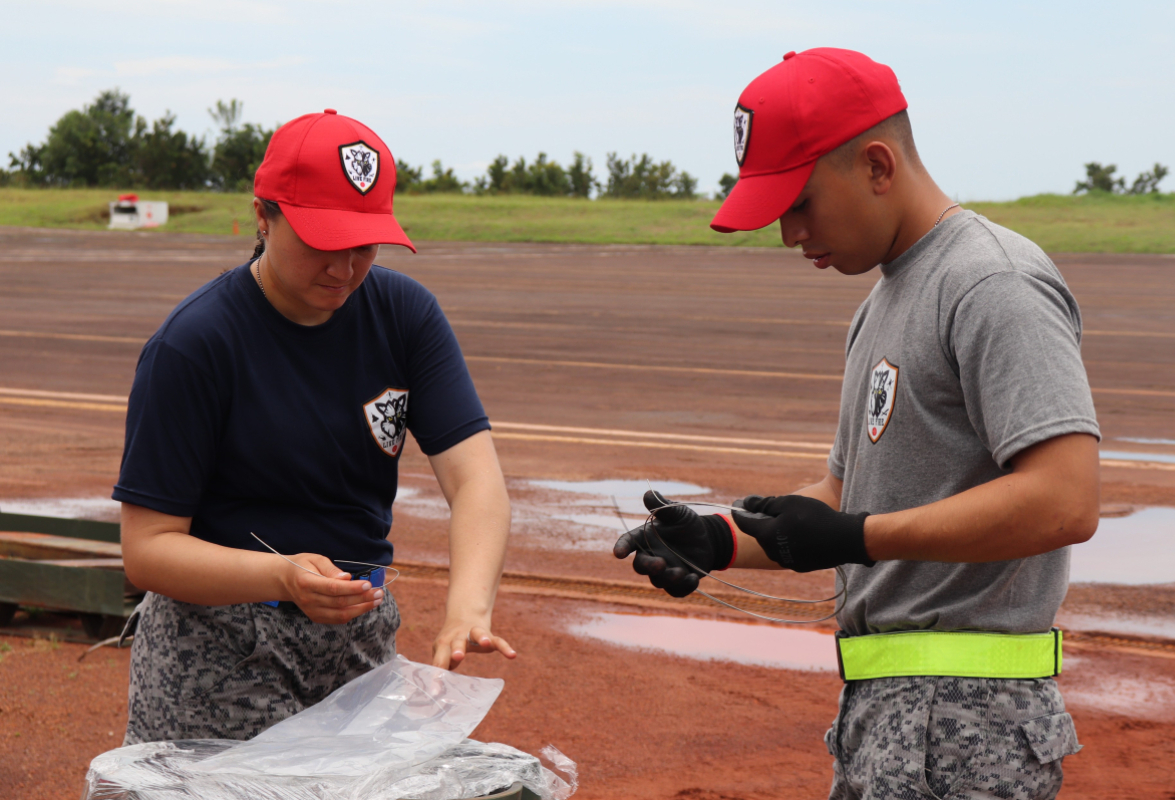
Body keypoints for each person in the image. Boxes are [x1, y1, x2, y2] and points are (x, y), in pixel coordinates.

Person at [614, 49, 1100, 800]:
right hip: (888, 710)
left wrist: (858, 539)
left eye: (800, 203)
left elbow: (1063, 499)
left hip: (968, 725)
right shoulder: (883, 303)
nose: (788, 234)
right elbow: (849, 495)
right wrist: (722, 537)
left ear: (877, 165)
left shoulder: (992, 281)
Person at [114, 109, 515, 744]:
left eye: (363, 244)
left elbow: (476, 481)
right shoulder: (195, 345)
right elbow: (148, 548)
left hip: (355, 644)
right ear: (262, 216)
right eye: (321, 242)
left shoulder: (404, 315)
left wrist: (467, 610)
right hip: (218, 656)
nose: (344, 268)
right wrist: (281, 576)